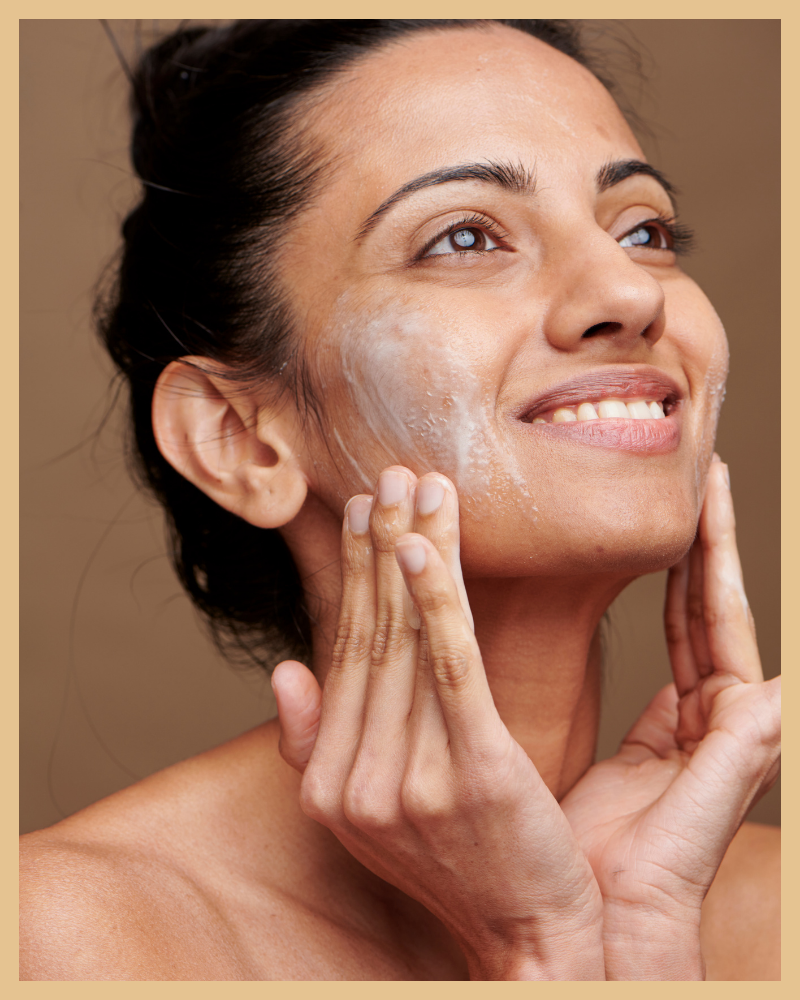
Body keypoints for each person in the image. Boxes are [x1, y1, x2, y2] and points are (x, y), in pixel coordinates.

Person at [19, 19, 780, 981]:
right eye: (464, 236)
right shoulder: (60, 943)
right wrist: (536, 949)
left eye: (644, 228)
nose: (630, 290)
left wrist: (636, 937)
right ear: (243, 441)